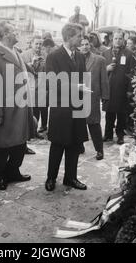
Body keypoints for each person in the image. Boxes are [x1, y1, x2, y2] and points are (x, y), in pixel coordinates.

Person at [0, 21, 33, 190]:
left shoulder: (16, 53)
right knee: (4, 146)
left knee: (20, 145)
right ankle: (1, 176)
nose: (17, 32)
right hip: (6, 110)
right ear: (5, 35)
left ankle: (13, 172)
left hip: (21, 108)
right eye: (14, 31)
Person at [45, 23, 90, 191]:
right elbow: (50, 82)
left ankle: (70, 178)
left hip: (77, 107)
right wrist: (75, 87)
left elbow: (83, 79)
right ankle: (51, 178)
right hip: (61, 108)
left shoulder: (79, 56)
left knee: (74, 143)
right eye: (79, 36)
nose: (82, 38)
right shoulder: (54, 56)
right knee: (58, 144)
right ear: (69, 37)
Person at [102, 30, 136, 145]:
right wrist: (106, 68)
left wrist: (130, 90)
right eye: (116, 38)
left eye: (120, 38)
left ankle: (120, 135)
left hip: (122, 89)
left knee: (121, 114)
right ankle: (108, 134)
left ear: (123, 40)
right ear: (112, 39)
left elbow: (132, 73)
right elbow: (101, 72)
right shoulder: (106, 53)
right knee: (109, 113)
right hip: (109, 88)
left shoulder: (129, 54)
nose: (118, 41)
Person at [79, 36, 109, 160]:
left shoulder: (99, 60)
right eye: (82, 44)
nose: (85, 46)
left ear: (90, 45)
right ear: (78, 46)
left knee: (94, 124)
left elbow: (104, 80)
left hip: (92, 97)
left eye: (87, 44)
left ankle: (99, 150)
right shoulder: (74, 59)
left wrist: (105, 96)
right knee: (78, 124)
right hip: (77, 96)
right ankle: (79, 147)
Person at [21, 36, 48, 135]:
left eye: (40, 44)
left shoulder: (46, 55)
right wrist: (31, 63)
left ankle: (44, 127)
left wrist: (45, 64)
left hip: (42, 85)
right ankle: (33, 130)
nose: (38, 46)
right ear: (32, 44)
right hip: (30, 86)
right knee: (33, 108)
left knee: (44, 107)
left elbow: (49, 71)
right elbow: (21, 70)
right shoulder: (24, 55)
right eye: (36, 43)